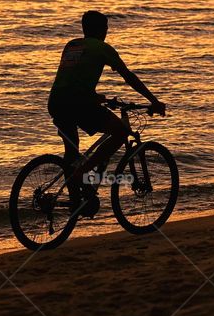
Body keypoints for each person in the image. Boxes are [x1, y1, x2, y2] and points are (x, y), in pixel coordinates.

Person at [48, 11, 165, 214]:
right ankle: (82, 174)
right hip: (77, 104)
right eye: (106, 29)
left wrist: (100, 99)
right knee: (120, 132)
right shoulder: (103, 48)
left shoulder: (72, 45)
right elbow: (128, 76)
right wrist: (153, 101)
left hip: (57, 102)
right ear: (102, 30)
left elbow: (72, 82)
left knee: (72, 153)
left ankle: (77, 203)